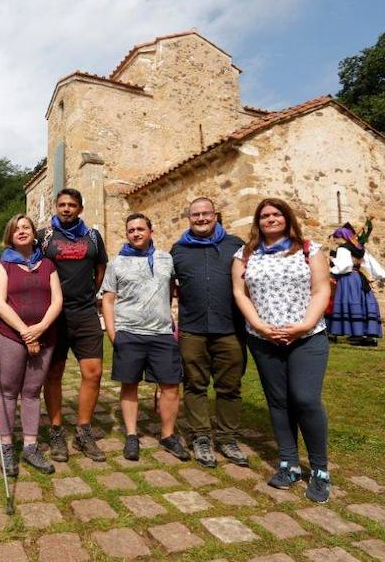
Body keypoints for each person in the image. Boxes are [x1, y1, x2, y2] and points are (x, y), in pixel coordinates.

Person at [231, 198, 332, 503]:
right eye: (265, 216)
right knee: (278, 401)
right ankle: (288, 464)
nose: (271, 219)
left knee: (305, 398)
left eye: (276, 214)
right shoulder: (245, 254)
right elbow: (240, 292)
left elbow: (321, 289)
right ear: (258, 222)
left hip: (307, 337)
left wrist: (305, 325)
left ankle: (319, 469)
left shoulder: (308, 250)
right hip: (264, 339)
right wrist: (259, 326)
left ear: (287, 219)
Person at [101, 213, 189, 462]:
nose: (136, 233)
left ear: (151, 231)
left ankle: (168, 435)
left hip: (161, 332)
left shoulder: (166, 259)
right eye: (131, 230)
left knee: (171, 385)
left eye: (140, 229)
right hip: (129, 332)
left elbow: (174, 291)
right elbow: (108, 299)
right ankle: (131, 435)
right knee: (130, 384)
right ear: (126, 234)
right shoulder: (116, 263)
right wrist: (113, 333)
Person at [171, 197, 249, 468]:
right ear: (189, 218)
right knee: (195, 385)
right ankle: (201, 437)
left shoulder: (236, 246)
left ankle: (227, 438)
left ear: (216, 215)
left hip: (230, 328)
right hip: (193, 329)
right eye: (195, 215)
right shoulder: (178, 250)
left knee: (230, 387)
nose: (201, 218)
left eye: (206, 214)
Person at [39, 188, 108, 462]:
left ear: (80, 208)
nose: (66, 209)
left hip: (85, 313)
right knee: (53, 374)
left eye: (72, 205)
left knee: (93, 372)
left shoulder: (92, 236)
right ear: (56, 207)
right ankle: (56, 431)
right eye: (62, 204)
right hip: (53, 315)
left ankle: (83, 432)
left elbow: (101, 266)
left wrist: (92, 292)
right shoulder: (44, 237)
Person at [0, 214, 63, 476]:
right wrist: (25, 332)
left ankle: (31, 447)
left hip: (45, 335)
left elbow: (57, 301)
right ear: (10, 236)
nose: (21, 231)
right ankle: (7, 446)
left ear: (34, 234)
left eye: (26, 227)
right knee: (9, 391)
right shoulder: (4, 266)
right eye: (16, 229)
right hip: (11, 335)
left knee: (32, 392)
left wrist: (41, 328)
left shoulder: (48, 265)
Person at [326, 224, 385, 346]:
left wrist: (332, 269)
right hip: (359, 278)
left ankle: (355, 334)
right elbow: (370, 263)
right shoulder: (359, 248)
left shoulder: (343, 248)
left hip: (347, 279)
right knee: (361, 304)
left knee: (349, 303)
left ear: (341, 237)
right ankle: (366, 335)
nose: (335, 241)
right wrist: (383, 277)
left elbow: (345, 266)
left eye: (336, 238)